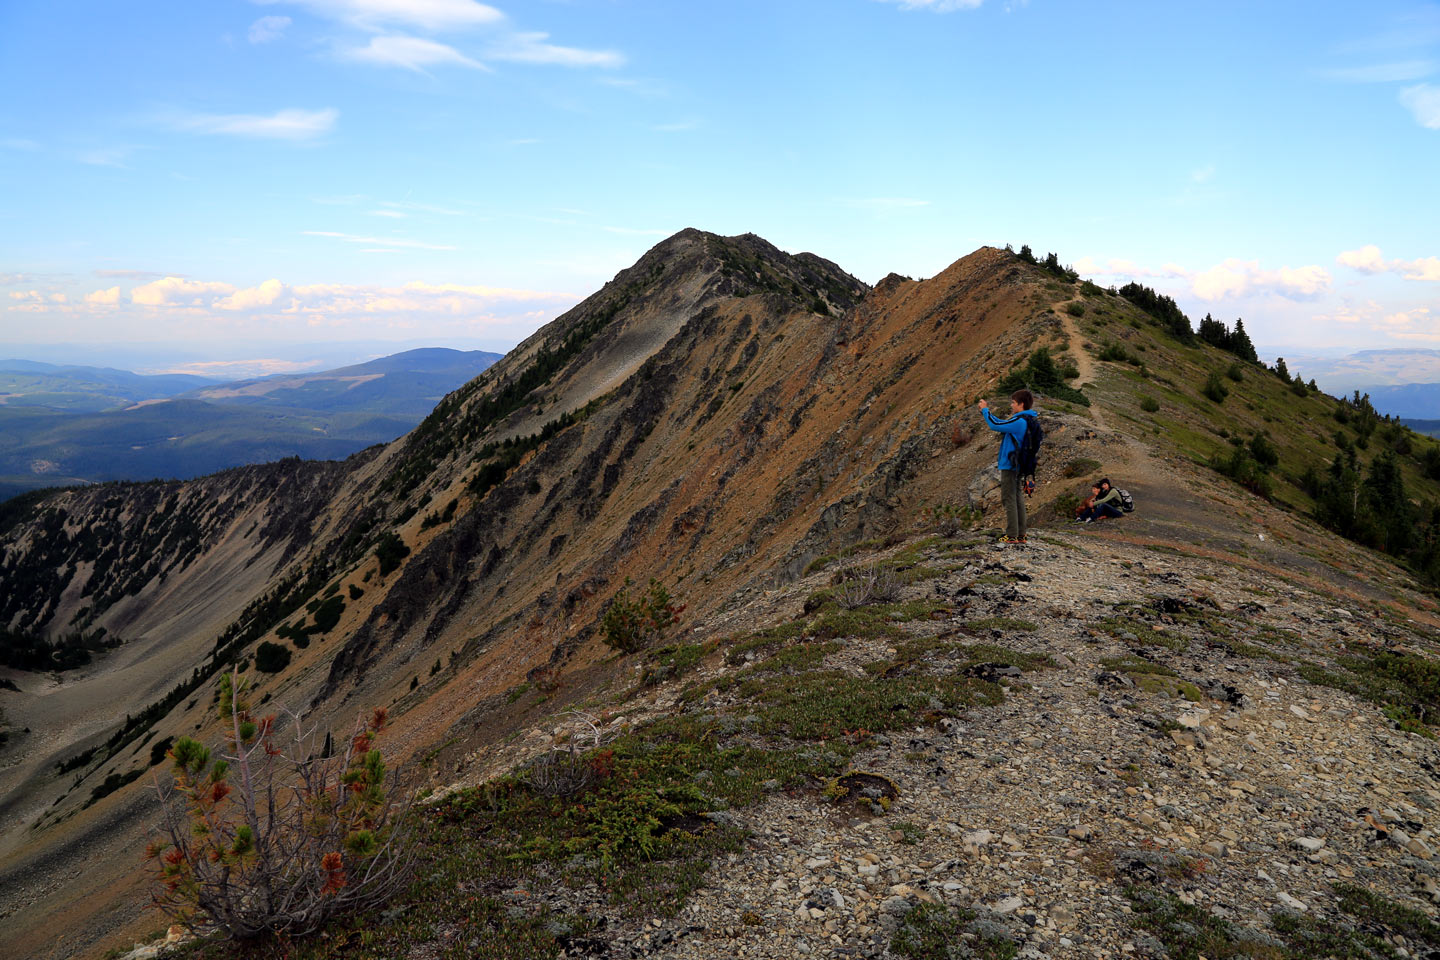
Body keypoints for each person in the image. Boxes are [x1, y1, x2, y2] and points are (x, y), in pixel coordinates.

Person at [978, 389, 1039, 544]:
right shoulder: (1027, 420)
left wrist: (985, 409)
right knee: (1017, 497)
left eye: (1013, 402)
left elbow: (995, 424)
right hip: (1019, 465)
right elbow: (1001, 423)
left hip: (1011, 465)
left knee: (1009, 498)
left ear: (1021, 404)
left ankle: (1012, 534)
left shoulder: (1019, 422)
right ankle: (1021, 534)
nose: (1011, 405)